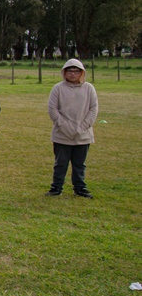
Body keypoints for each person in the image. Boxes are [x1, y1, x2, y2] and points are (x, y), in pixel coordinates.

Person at [46, 59, 98, 198]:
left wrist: (83, 127)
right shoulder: (58, 88)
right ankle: (56, 188)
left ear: (81, 73)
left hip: (83, 135)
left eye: (76, 71)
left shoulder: (89, 88)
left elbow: (93, 109)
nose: (73, 74)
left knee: (79, 164)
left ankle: (80, 188)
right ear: (64, 72)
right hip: (61, 134)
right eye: (70, 71)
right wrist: (64, 126)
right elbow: (52, 109)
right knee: (60, 164)